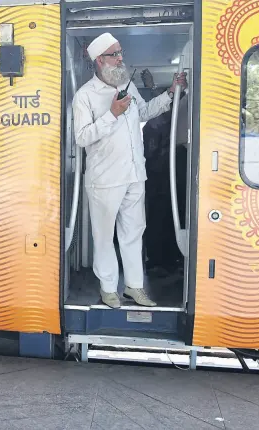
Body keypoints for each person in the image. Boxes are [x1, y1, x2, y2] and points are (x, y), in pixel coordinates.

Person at [72, 32, 187, 308]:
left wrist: (170, 93)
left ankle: (134, 286)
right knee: (104, 237)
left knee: (134, 233)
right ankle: (108, 288)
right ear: (100, 60)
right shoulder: (85, 96)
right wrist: (111, 114)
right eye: (115, 54)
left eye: (121, 52)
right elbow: (82, 137)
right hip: (105, 180)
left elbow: (144, 112)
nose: (121, 58)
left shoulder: (126, 84)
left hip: (136, 175)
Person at [141, 67, 189, 277]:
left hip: (165, 177)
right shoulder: (157, 123)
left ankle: (165, 258)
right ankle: (163, 258)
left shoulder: (171, 121)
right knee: (161, 217)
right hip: (160, 178)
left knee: (166, 216)